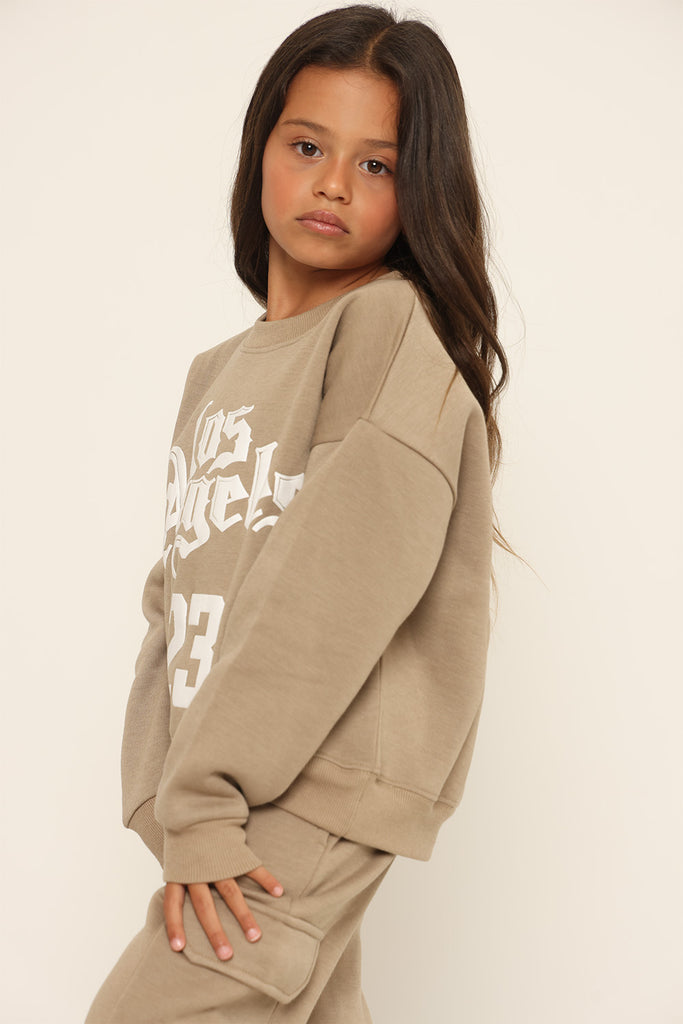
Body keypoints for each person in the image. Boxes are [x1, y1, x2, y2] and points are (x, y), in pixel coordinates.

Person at [85, 4, 514, 1022]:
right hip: (232, 794)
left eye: (377, 165)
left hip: (305, 785)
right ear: (260, 154)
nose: (333, 184)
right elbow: (178, 590)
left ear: (419, 190)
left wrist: (203, 793)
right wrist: (161, 792)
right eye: (308, 146)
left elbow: (334, 584)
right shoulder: (220, 370)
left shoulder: (387, 329)